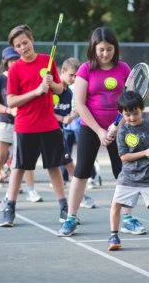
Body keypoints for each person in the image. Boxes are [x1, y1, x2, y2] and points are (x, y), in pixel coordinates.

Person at [57, 27, 146, 237]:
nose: (105, 54)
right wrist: (99, 131)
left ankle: (128, 218)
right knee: (80, 173)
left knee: (123, 174)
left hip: (120, 129)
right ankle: (70, 219)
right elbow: (79, 104)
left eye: (109, 49)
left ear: (115, 48)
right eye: (101, 49)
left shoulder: (124, 69)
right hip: (91, 127)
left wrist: (118, 127)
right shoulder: (85, 70)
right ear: (93, 49)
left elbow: (131, 102)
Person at [0, 24, 77, 227]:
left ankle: (64, 207)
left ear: (32, 40)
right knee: (18, 167)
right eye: (18, 46)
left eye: (25, 42)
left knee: (54, 165)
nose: (23, 47)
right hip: (25, 126)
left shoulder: (47, 61)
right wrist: (35, 91)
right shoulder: (14, 69)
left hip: (49, 124)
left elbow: (60, 89)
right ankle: (10, 207)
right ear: (15, 49)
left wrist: (50, 84)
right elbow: (11, 101)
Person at [108, 91, 149, 250]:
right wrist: (145, 152)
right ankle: (113, 237)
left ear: (142, 108)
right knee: (115, 205)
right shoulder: (122, 131)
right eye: (127, 115)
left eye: (135, 113)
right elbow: (123, 157)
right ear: (121, 113)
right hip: (128, 176)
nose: (132, 118)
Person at [0, 46, 42, 204]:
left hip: (24, 123)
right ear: (4, 62)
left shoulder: (25, 76)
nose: (15, 62)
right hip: (4, 123)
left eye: (17, 58)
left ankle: (31, 191)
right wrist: (10, 111)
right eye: (11, 59)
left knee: (26, 159)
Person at [54, 57, 96, 209]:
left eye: (77, 76)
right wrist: (63, 118)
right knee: (22, 167)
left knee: (70, 165)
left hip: (57, 134)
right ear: (62, 72)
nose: (74, 78)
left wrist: (70, 117)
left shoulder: (70, 94)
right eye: (71, 75)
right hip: (40, 131)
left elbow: (65, 119)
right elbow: (43, 112)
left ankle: (81, 197)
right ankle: (9, 199)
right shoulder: (53, 89)